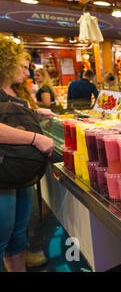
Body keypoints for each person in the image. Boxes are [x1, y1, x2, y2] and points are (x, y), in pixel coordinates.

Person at [0, 35, 54, 272]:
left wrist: (36, 113)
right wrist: (35, 138)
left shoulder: (11, 91)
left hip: (19, 173)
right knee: (2, 237)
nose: (26, 72)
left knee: (18, 235)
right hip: (3, 175)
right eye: (21, 65)